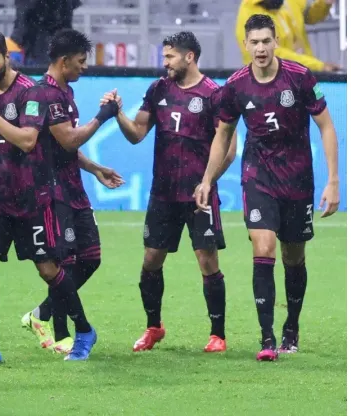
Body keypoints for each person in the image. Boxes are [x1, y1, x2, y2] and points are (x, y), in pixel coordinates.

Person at [0, 29, 116, 363]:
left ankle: (83, 329)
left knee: (48, 269)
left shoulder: (31, 92)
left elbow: (29, 141)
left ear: (6, 56)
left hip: (33, 197)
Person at [194, 14, 340, 361]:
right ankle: (267, 338)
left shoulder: (300, 78)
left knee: (294, 256)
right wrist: (206, 179)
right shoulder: (235, 87)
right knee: (263, 246)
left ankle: (291, 327)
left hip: (298, 179)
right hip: (258, 176)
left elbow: (327, 128)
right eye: (254, 42)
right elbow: (223, 135)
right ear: (246, 45)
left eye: (266, 41)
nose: (260, 48)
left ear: (275, 42)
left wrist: (333, 181)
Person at [101, 31, 238, 353]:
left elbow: (229, 150)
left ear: (189, 56)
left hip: (198, 196)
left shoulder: (213, 95)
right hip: (163, 193)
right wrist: (118, 112)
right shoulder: (158, 89)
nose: (165, 63)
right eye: (164, 57)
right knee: (151, 260)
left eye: (170, 57)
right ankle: (153, 327)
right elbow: (136, 134)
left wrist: (207, 181)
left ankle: (217, 334)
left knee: (207, 262)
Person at [18, 29, 125, 355]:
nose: (85, 67)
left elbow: (66, 149)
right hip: (50, 195)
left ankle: (42, 315)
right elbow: (68, 139)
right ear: (64, 62)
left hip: (73, 190)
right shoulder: (42, 95)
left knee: (91, 259)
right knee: (62, 264)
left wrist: (96, 168)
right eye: (81, 62)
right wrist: (103, 117)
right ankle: (77, 334)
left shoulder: (65, 93)